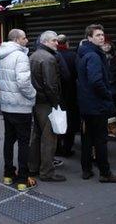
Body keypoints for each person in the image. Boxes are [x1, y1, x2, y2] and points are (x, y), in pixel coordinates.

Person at [77, 24, 116, 183]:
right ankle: (105, 172)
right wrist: (107, 96)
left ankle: (86, 169)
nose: (101, 37)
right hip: (96, 105)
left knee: (86, 138)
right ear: (89, 37)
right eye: (97, 35)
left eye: (102, 35)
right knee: (100, 139)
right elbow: (96, 81)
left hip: (86, 104)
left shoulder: (84, 53)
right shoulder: (94, 56)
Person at [0, 29, 37, 191]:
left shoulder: (1, 55)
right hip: (21, 106)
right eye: (24, 38)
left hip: (6, 106)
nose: (27, 40)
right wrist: (33, 95)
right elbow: (23, 82)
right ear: (17, 39)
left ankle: (8, 175)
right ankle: (22, 179)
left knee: (9, 140)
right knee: (23, 143)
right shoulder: (20, 56)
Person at [27, 30, 66, 182]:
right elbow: (51, 85)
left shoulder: (33, 55)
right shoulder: (48, 58)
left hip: (36, 101)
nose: (57, 43)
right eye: (54, 41)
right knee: (49, 138)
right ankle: (47, 171)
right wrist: (56, 103)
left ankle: (33, 167)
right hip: (46, 103)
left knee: (36, 135)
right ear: (45, 42)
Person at [55, 34, 79, 158]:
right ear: (67, 43)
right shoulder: (73, 56)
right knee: (70, 121)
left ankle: (57, 147)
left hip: (57, 94)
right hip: (71, 94)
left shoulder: (53, 55)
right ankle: (67, 148)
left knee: (57, 121)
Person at [102, 39, 116, 137]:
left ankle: (113, 126)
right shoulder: (99, 56)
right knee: (105, 107)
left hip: (114, 86)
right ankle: (106, 127)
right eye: (104, 45)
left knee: (113, 106)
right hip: (104, 85)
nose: (106, 47)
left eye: (108, 45)